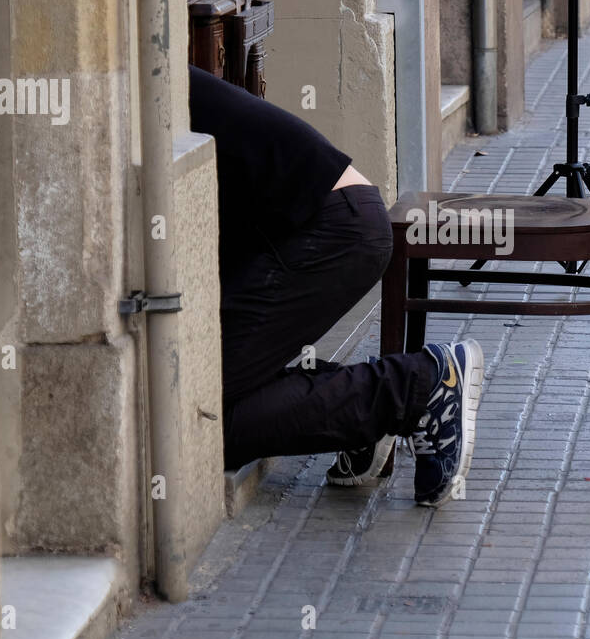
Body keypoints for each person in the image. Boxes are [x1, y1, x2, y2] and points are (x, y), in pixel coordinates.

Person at [187, 64, 482, 507]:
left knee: (201, 418)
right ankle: (363, 410)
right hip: (332, 221)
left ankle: (416, 387)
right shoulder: (150, 72)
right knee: (203, 405)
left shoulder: (140, 83)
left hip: (329, 229)